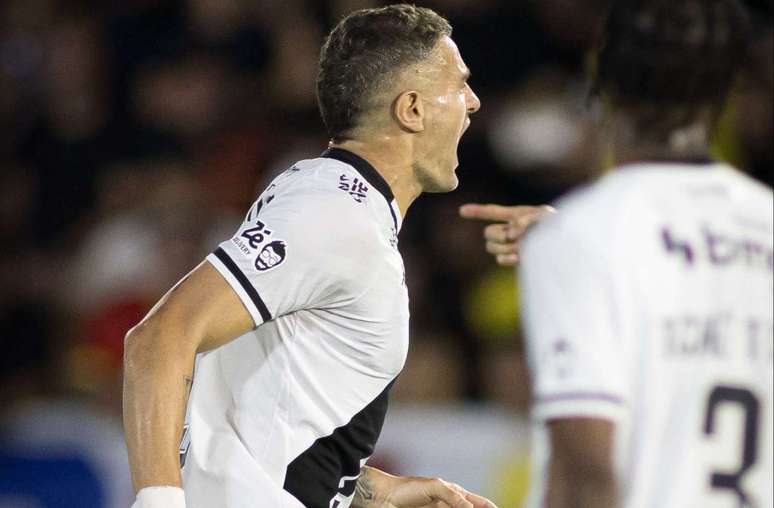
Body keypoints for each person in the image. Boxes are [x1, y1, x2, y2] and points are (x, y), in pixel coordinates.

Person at [123, 4, 495, 508]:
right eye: (460, 84)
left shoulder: (326, 195)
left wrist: (373, 489)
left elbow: (272, 409)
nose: (472, 102)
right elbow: (158, 338)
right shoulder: (332, 214)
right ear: (411, 109)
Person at [462, 0, 773, 507]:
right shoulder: (764, 224)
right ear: (729, 92)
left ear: (601, 88)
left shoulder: (583, 237)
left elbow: (587, 471)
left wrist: (577, 240)